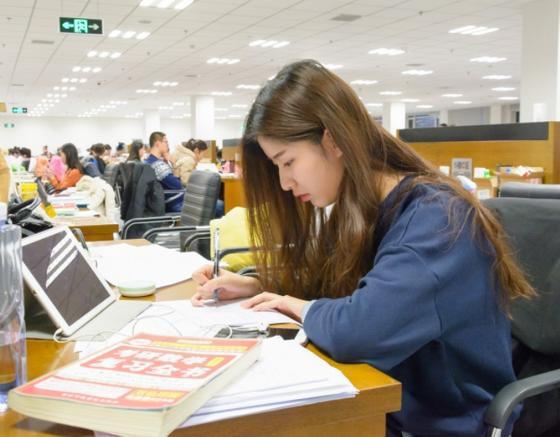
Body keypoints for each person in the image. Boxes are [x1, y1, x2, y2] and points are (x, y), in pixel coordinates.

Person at [189, 60, 535, 436]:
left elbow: (359, 330)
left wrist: (299, 305)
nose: (285, 182)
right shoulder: (365, 208)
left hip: (444, 422)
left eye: (287, 162)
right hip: (391, 402)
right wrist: (260, 284)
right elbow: (344, 283)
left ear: (332, 139)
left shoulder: (437, 220)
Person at [145, 131, 184, 212]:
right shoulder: (158, 165)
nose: (167, 145)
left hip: (165, 200)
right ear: (158, 144)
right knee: (216, 206)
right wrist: (174, 164)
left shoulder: (148, 161)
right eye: (166, 142)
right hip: (173, 202)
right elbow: (178, 186)